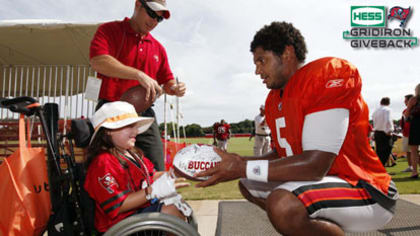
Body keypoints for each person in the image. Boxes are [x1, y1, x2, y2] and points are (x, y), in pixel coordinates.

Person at [196, 21, 397, 235]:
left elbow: (315, 165)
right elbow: (282, 154)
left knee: (283, 204)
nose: (257, 71)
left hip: (366, 188)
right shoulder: (275, 99)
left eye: (261, 61)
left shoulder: (323, 76)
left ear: (287, 53)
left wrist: (241, 166)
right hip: (328, 182)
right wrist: (237, 162)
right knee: (249, 183)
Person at [89, 0, 186, 171]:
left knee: (157, 167)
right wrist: (138, 74)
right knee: (105, 168)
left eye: (159, 19)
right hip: (111, 111)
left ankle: (156, 197)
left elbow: (167, 82)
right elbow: (98, 61)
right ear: (137, 5)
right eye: (152, 13)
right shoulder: (109, 30)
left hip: (143, 114)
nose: (154, 21)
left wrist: (175, 88)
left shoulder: (158, 48)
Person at [84, 101, 190, 233]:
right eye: (129, 126)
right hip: (120, 227)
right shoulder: (103, 163)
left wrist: (175, 174)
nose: (136, 131)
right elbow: (119, 205)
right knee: (171, 212)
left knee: (178, 207)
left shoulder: (132, 154)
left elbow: (151, 175)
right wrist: (152, 191)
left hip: (136, 216)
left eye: (135, 126)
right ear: (109, 131)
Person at [372, 97, 394, 166]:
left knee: (379, 152)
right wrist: (389, 130)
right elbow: (388, 120)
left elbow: (373, 120)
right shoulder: (387, 110)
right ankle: (381, 167)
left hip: (377, 132)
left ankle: (380, 168)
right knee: (387, 150)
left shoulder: (375, 111)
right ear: (388, 103)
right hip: (385, 132)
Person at [404, 83, 420, 179]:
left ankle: (414, 171)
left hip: (416, 124)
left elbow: (407, 113)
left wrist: (407, 117)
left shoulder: (414, 99)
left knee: (414, 150)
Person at [401, 94, 414, 172]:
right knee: (408, 151)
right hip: (406, 133)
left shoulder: (415, 110)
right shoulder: (404, 110)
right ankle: (410, 166)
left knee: (414, 151)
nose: (404, 102)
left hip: (412, 133)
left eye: (405, 100)